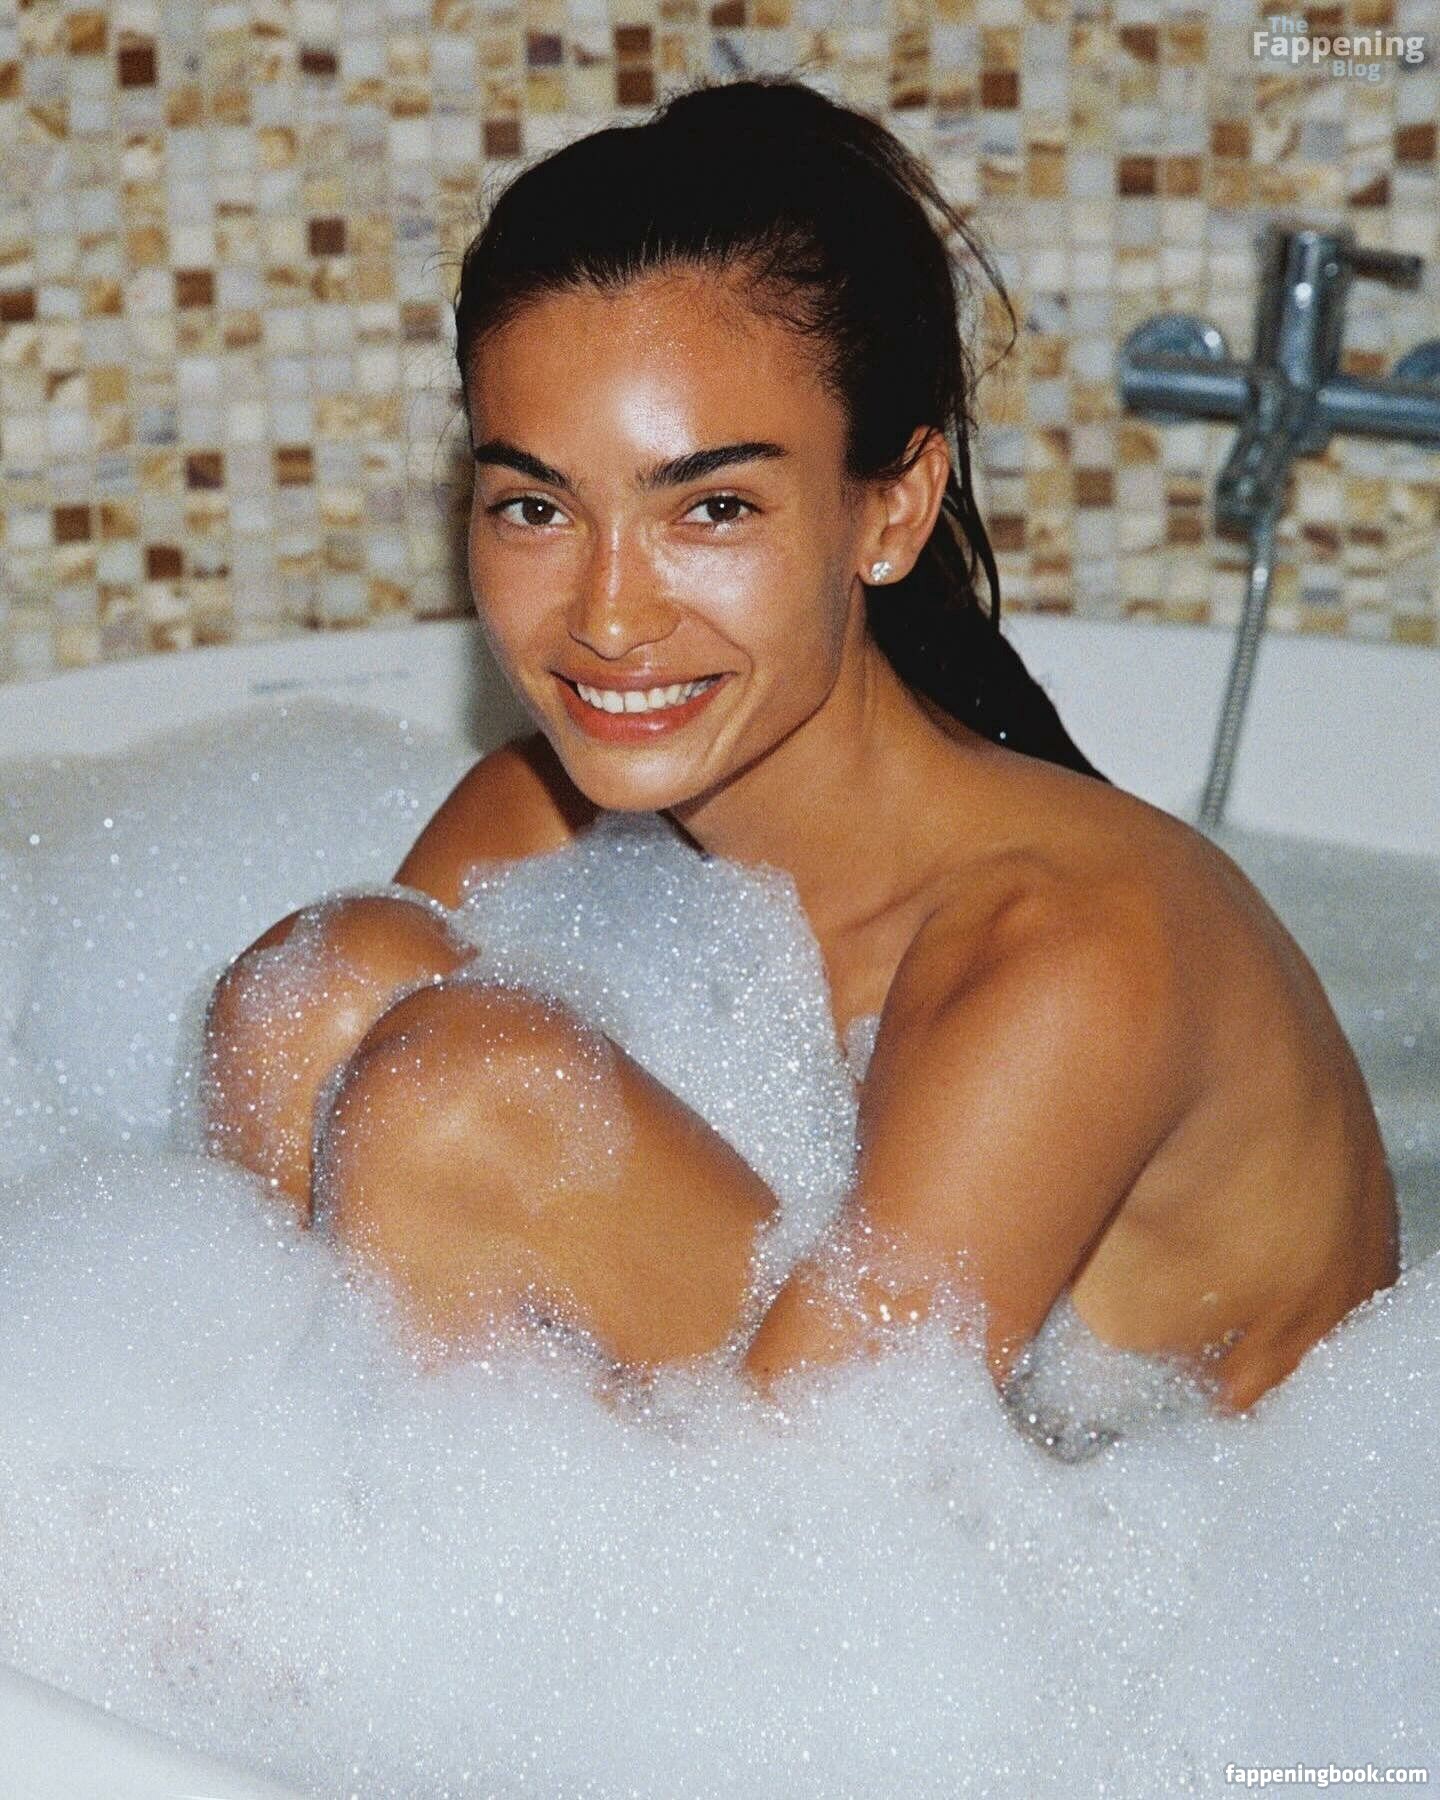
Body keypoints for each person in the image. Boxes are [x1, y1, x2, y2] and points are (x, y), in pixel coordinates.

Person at [200, 76, 1398, 1416]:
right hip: (784, 1485)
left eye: (712, 507)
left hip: (1140, 1525)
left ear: (890, 512)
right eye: (536, 507)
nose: (607, 617)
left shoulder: (1073, 955)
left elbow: (841, 1507)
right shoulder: (537, 822)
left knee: (461, 1105)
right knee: (310, 995)